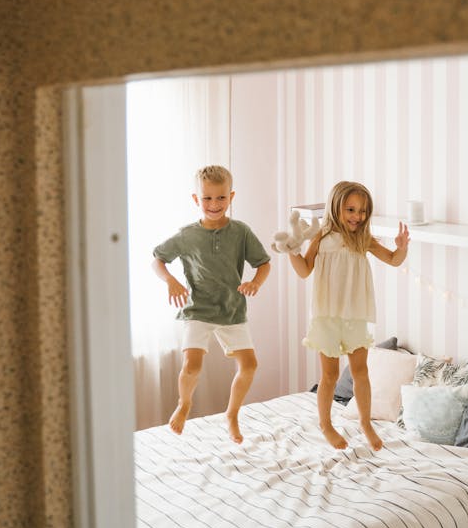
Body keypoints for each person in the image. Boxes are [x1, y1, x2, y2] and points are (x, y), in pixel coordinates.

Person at [151, 165, 271, 444]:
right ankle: (184, 404)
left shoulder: (241, 232)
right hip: (199, 309)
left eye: (220, 198)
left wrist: (255, 282)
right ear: (196, 199)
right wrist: (170, 281)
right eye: (207, 198)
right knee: (191, 366)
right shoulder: (186, 235)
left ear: (231, 197)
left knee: (250, 366)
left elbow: (264, 263)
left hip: (232, 309)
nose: (214, 204)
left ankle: (232, 414)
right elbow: (157, 259)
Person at [286, 180, 409, 450]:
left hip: (355, 316)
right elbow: (305, 270)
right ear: (336, 206)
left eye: (362, 211)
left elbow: (393, 259)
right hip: (327, 316)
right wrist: (291, 251)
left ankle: (365, 423)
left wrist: (401, 247)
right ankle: (326, 424)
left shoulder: (362, 239)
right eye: (351, 209)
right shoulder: (322, 236)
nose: (357, 217)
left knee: (361, 372)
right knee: (329, 375)